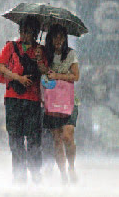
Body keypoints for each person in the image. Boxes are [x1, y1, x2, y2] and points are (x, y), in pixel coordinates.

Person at [0, 15, 48, 184]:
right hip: (13, 99)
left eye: (29, 32)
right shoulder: (11, 47)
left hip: (33, 100)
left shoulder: (40, 50)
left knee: (33, 138)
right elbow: (1, 67)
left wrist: (39, 58)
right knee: (15, 138)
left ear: (35, 33)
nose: (25, 35)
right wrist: (18, 78)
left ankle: (35, 171)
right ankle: (19, 174)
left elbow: (45, 72)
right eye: (23, 31)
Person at [43, 24, 80, 184]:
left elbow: (76, 76)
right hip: (52, 102)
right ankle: (63, 173)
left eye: (61, 37)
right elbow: (42, 74)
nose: (58, 40)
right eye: (55, 36)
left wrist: (57, 75)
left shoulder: (70, 54)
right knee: (57, 139)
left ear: (65, 38)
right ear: (50, 38)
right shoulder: (45, 56)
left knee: (67, 135)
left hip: (69, 101)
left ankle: (71, 166)